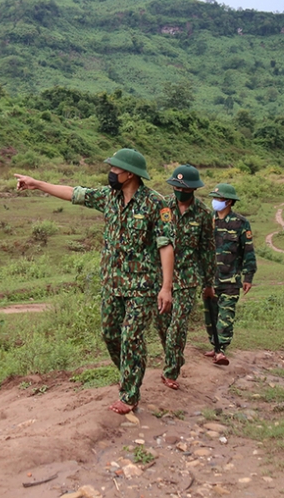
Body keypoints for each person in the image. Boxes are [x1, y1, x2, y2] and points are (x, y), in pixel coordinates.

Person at [14, 148, 174, 414]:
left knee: (132, 336)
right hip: (113, 283)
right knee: (111, 335)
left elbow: (165, 245)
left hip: (142, 287)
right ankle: (131, 373)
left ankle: (130, 394)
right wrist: (37, 184)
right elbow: (74, 193)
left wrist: (166, 287)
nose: (111, 173)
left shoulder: (156, 204)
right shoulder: (108, 197)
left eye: (115, 169)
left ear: (130, 174)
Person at [155, 165, 215, 390]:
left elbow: (207, 251)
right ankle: (175, 356)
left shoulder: (203, 213)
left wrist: (208, 283)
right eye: (176, 187)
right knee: (162, 324)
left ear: (193, 190)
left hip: (188, 278)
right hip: (162, 278)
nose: (179, 191)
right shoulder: (163, 207)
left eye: (184, 188)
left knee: (178, 326)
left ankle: (170, 371)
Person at [203, 183, 256, 366]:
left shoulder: (240, 223)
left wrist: (248, 277)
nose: (215, 202)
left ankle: (220, 350)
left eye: (219, 199)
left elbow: (248, 251)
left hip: (231, 279)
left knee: (226, 316)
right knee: (211, 317)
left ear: (229, 202)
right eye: (215, 198)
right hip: (209, 280)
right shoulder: (207, 220)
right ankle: (215, 345)